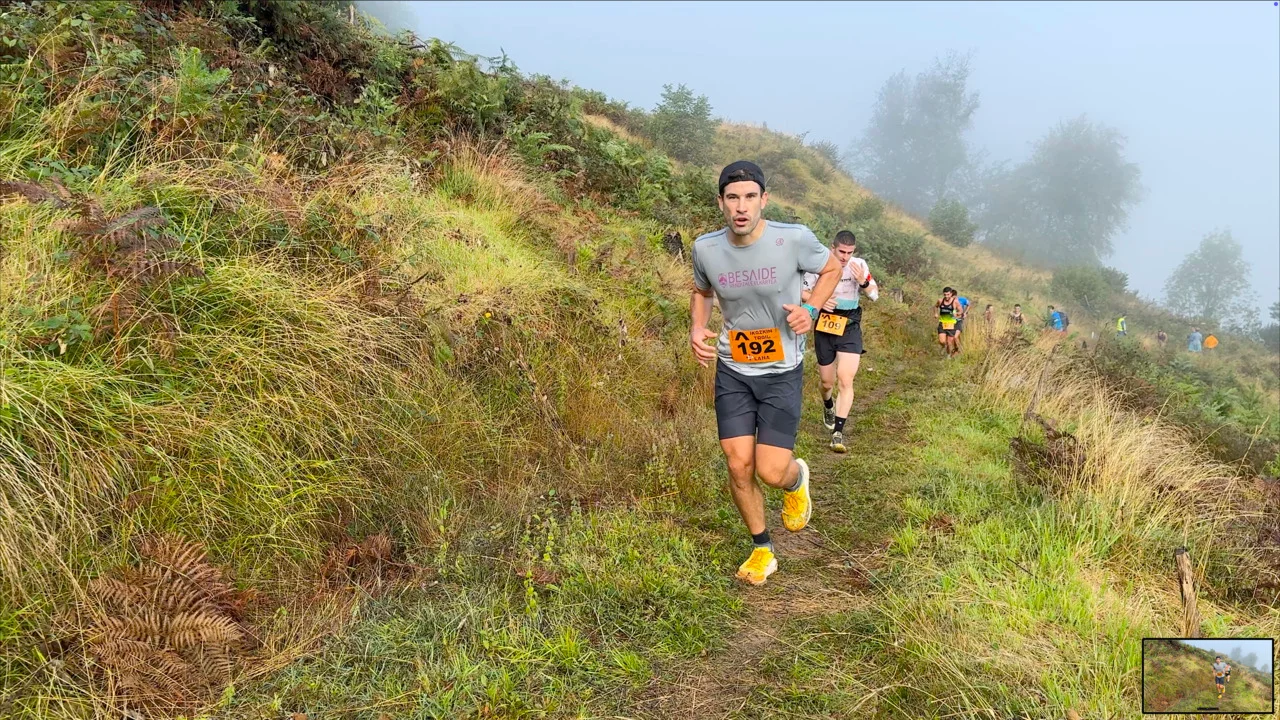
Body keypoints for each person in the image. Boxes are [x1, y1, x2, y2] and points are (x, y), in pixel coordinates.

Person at [689, 160, 841, 586]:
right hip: (733, 369)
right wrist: (697, 327)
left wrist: (811, 309)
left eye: (750, 197)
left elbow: (832, 268)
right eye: (732, 198)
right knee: (739, 464)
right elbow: (701, 292)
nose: (741, 207)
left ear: (764, 200)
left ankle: (796, 480)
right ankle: (762, 548)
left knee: (770, 471)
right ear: (721, 202)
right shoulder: (705, 248)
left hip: (781, 371)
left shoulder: (792, 239)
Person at [801, 230, 878, 454]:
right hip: (825, 323)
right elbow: (800, 290)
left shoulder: (858, 265)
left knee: (846, 379)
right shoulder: (818, 263)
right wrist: (817, 300)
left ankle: (838, 432)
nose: (845, 257)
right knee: (827, 382)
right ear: (832, 248)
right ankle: (828, 404)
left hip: (850, 325)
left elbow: (874, 295)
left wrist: (864, 282)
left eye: (849, 252)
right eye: (841, 251)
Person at [936, 287, 962, 358]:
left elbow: (960, 310)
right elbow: (935, 307)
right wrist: (935, 313)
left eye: (948, 294)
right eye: (945, 294)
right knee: (942, 341)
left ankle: (948, 356)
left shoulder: (955, 302)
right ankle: (943, 347)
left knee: (949, 342)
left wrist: (957, 314)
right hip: (942, 323)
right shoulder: (940, 300)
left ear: (951, 294)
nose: (946, 296)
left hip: (951, 324)